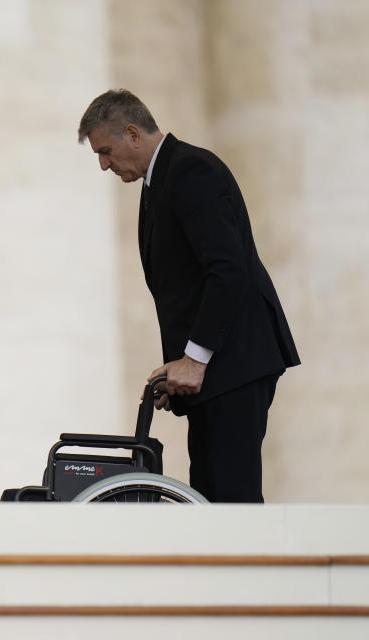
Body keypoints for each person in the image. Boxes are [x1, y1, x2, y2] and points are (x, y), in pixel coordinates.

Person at [78, 89, 300, 503]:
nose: (104, 165)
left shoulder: (191, 170)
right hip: (217, 371)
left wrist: (195, 360)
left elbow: (228, 270)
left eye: (106, 151)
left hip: (234, 361)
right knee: (212, 501)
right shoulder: (160, 180)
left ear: (132, 133)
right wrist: (181, 368)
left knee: (232, 500)